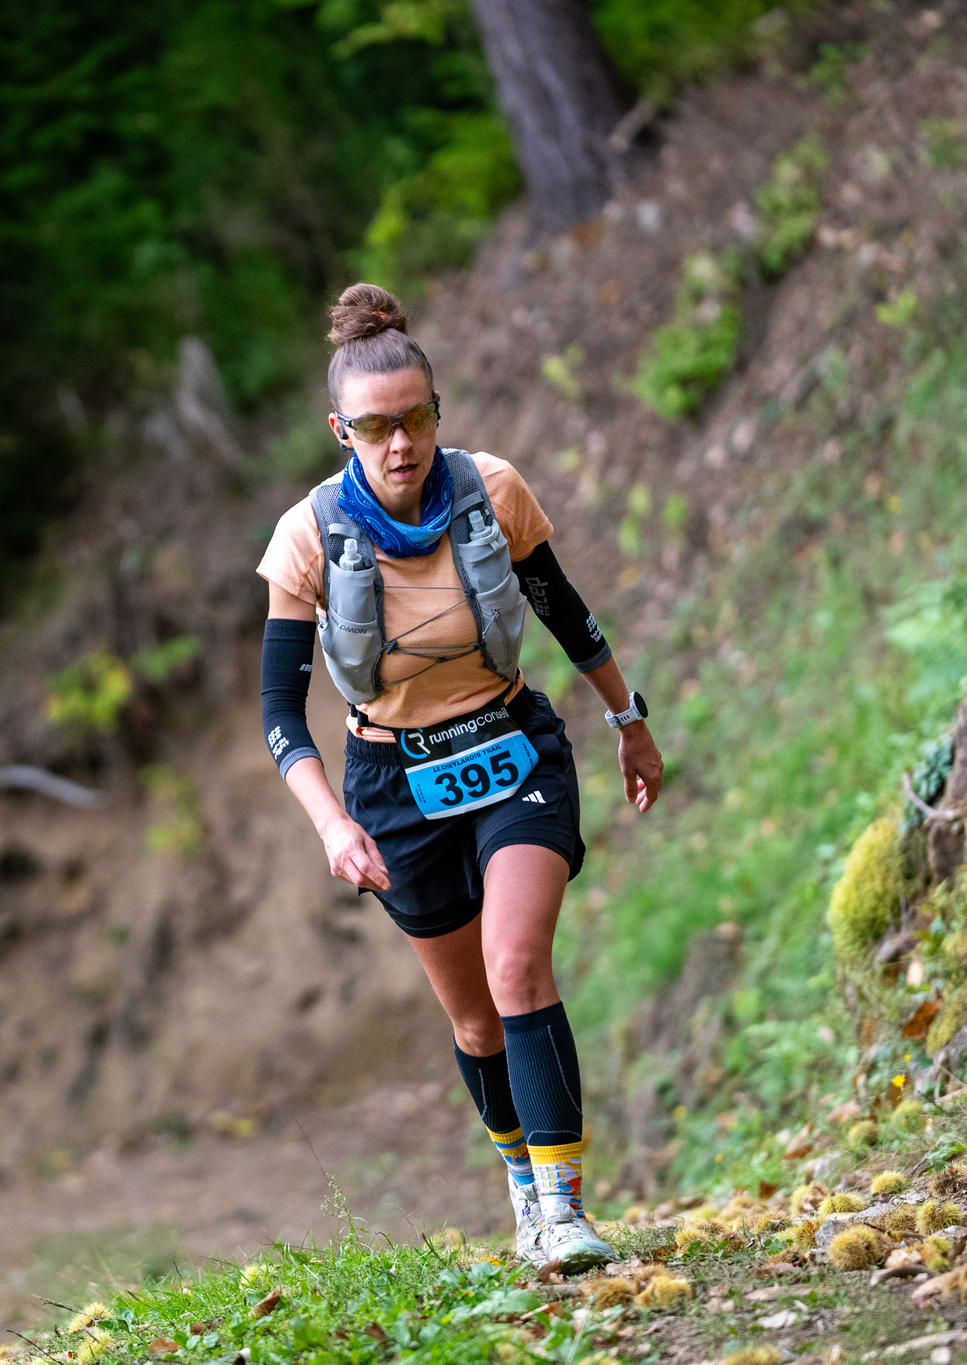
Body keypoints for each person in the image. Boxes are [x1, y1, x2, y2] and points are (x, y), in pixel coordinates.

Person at [255, 283, 664, 1271]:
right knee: (474, 1018)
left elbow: (564, 611)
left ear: (436, 410)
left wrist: (627, 719)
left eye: (416, 418)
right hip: (394, 782)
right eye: (375, 427)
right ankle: (523, 1185)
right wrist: (331, 825)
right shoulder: (307, 537)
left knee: (515, 965)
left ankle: (564, 1212)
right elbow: (279, 713)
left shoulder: (491, 489)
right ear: (340, 431)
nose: (400, 443)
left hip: (511, 747)